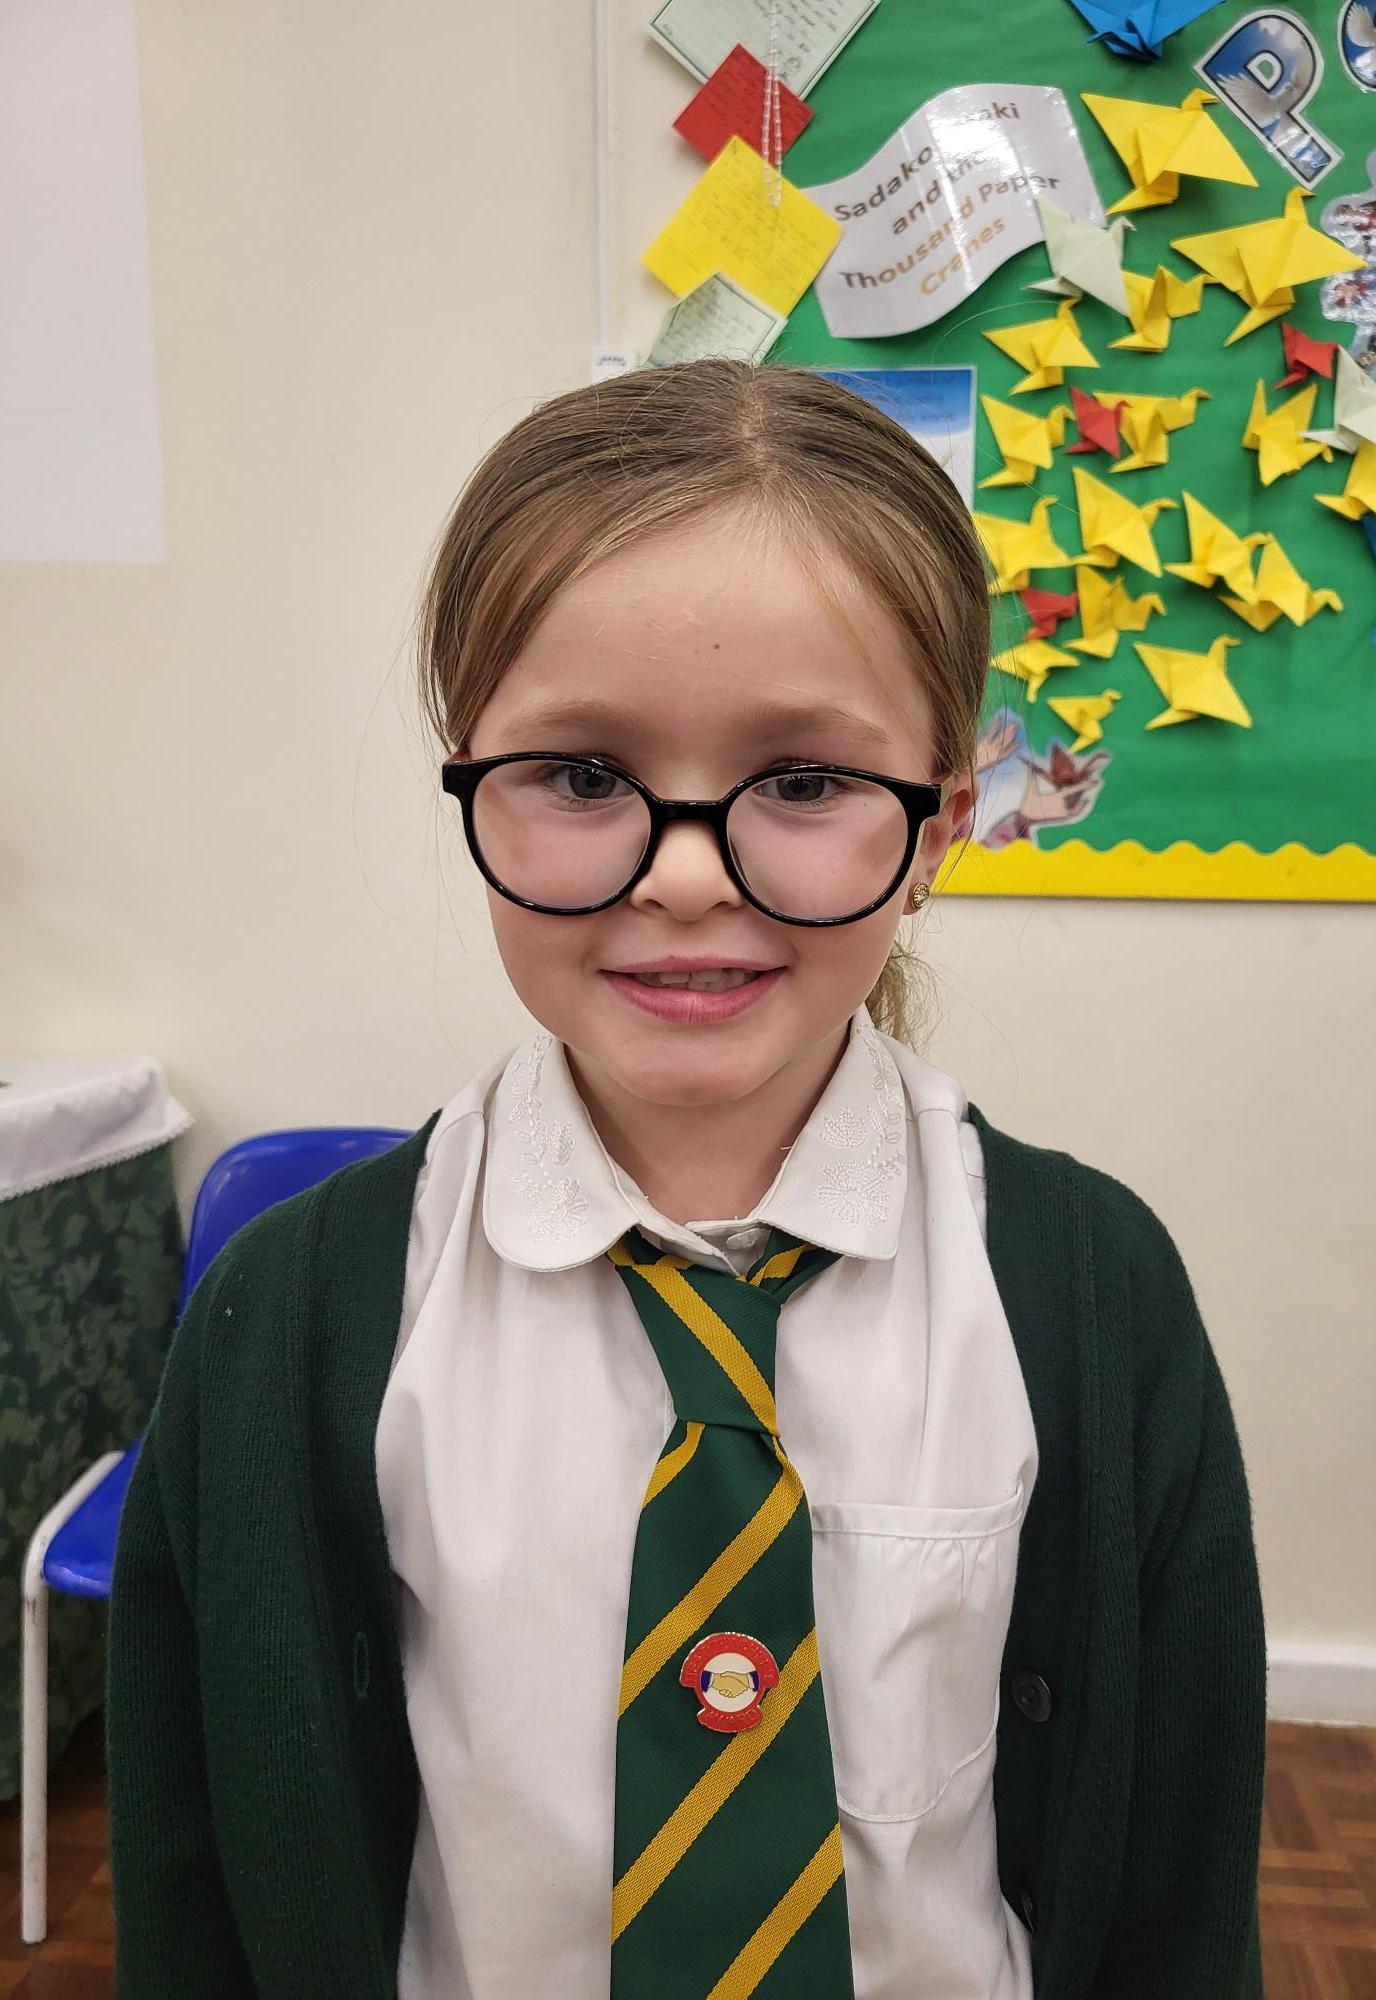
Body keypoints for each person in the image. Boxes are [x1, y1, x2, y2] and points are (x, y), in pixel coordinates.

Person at [106, 359, 1266, 1999]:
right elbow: (196, 1876)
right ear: (470, 780)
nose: (685, 873)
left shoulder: (1095, 1293)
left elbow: (1178, 1878)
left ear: (939, 824)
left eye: (803, 783)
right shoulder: (285, 1323)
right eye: (585, 777)